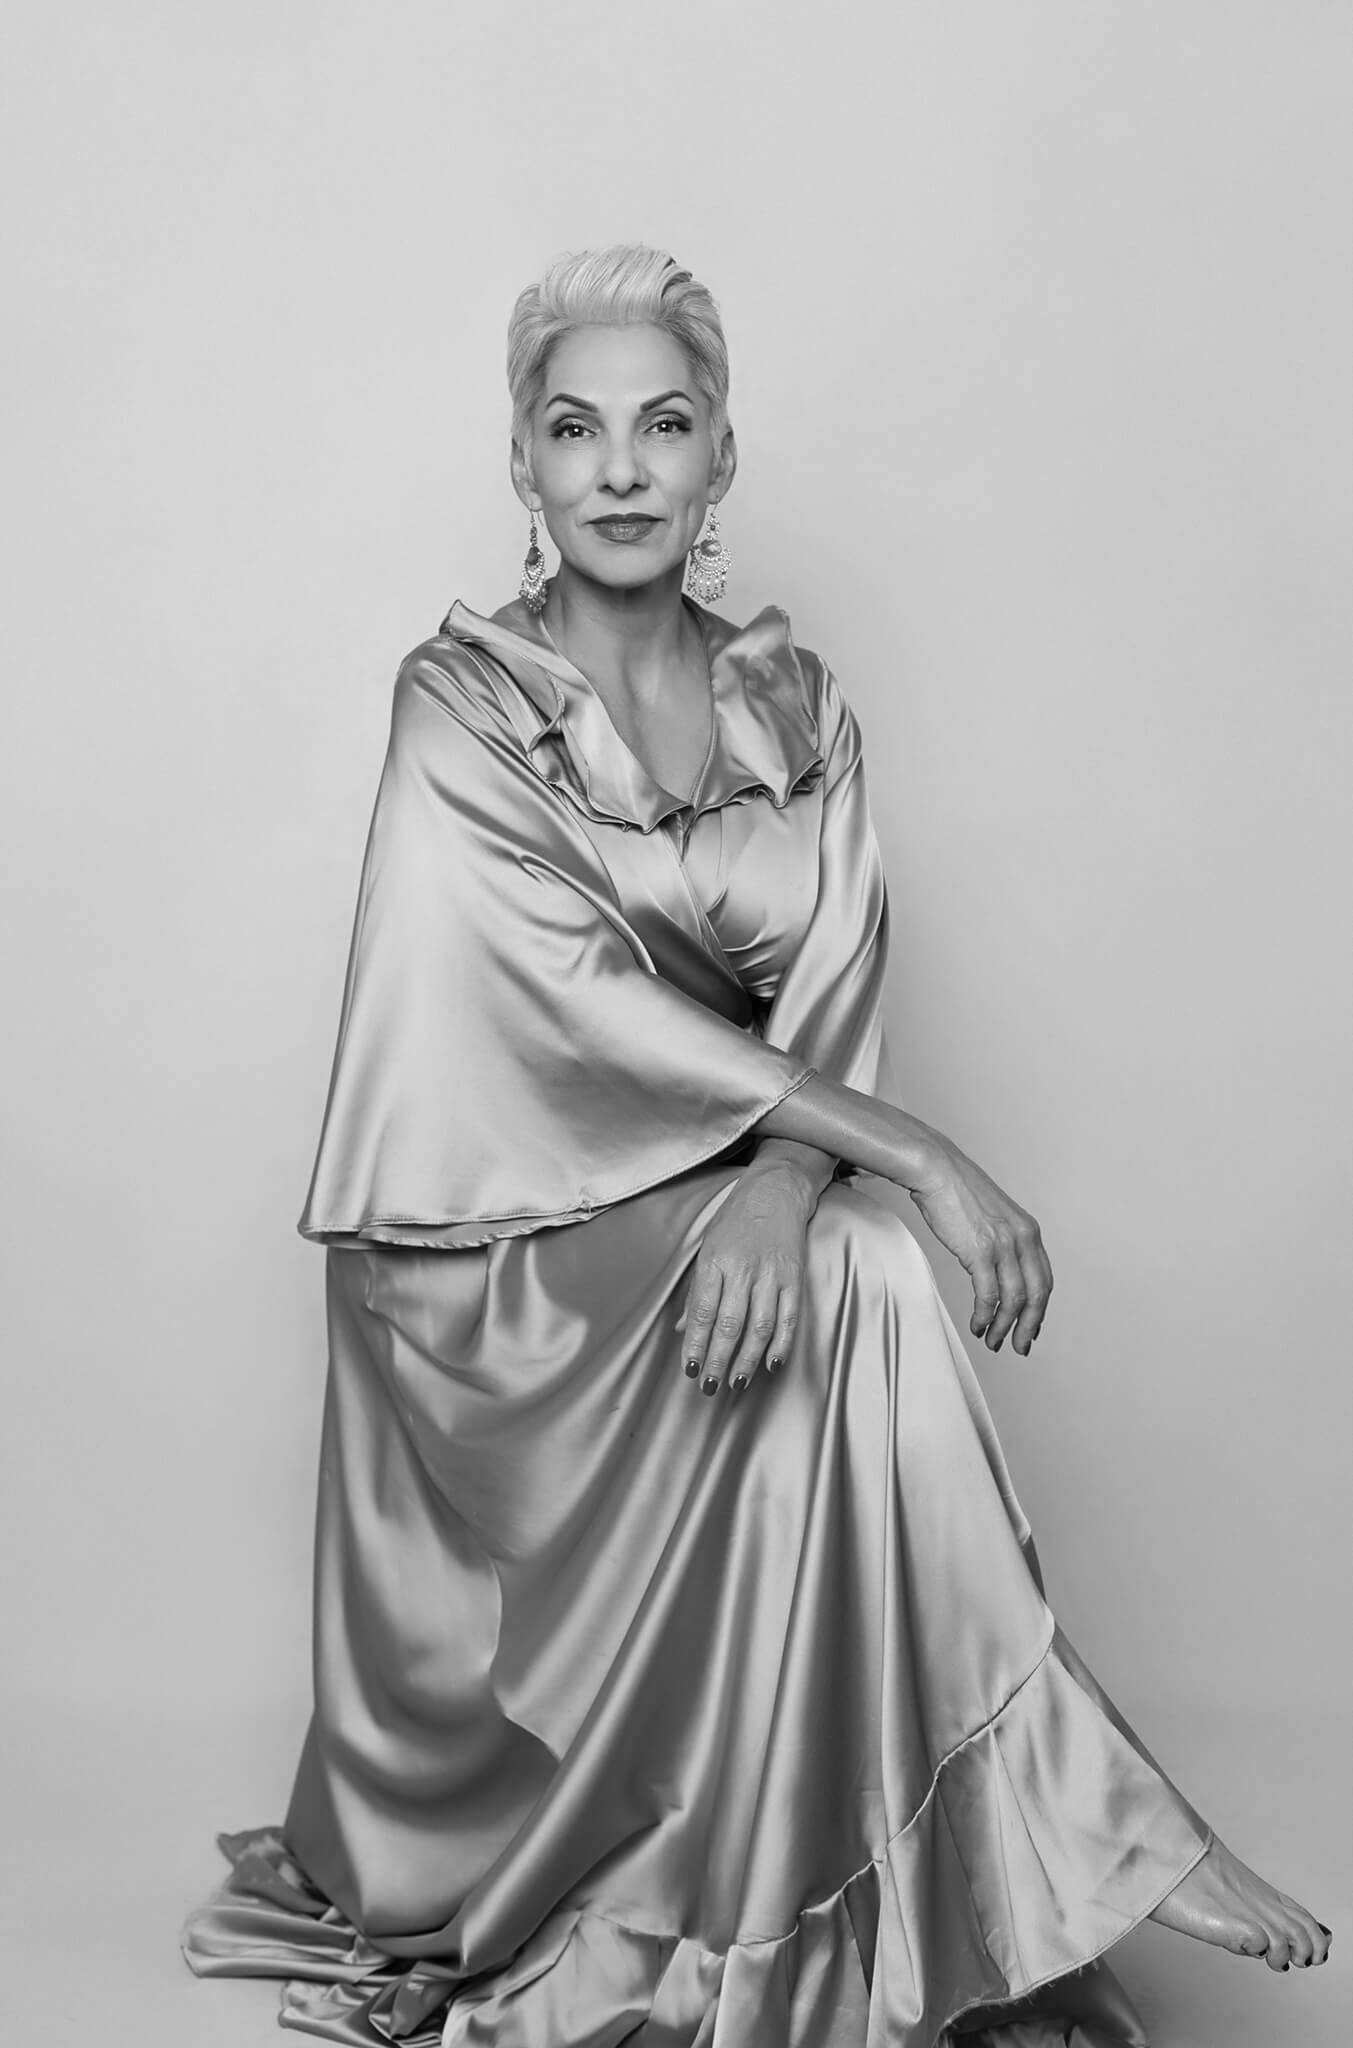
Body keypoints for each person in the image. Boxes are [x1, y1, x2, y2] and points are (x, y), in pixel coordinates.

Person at [182, 245, 1331, 2047]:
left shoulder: (796, 708)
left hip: (721, 1208)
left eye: (664, 425)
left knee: (853, 1269)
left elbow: (841, 980)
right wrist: (914, 1159)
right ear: (521, 462)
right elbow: (563, 1016)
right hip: (495, 1269)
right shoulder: (459, 705)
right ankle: (1099, 1816)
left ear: (723, 456)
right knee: (888, 1253)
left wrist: (794, 1183)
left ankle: (954, 1845)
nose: (621, 468)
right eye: (576, 430)